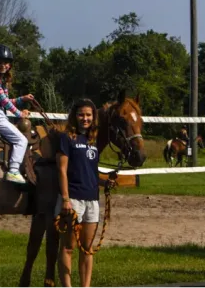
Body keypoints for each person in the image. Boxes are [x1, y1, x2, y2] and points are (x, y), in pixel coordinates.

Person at [56, 98, 115, 288]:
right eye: (81, 114)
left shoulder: (93, 139)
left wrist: (105, 182)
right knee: (68, 247)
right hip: (72, 198)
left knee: (87, 249)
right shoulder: (67, 138)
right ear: (75, 116)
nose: (85, 118)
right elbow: (62, 170)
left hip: (92, 200)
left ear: (93, 117)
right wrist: (65, 198)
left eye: (88, 115)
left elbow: (89, 170)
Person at [0, 44, 33, 184]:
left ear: (9, 65)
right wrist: (19, 114)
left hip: (0, 114)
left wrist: (22, 99)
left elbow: (6, 101)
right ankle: (13, 170)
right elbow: (4, 102)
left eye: (6, 63)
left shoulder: (0, 80)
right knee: (21, 140)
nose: (3, 65)